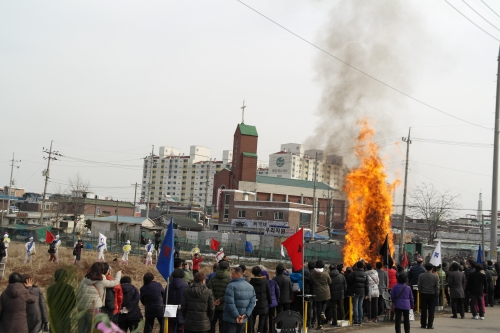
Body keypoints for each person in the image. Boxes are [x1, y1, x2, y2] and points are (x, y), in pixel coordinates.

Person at [76, 262, 122, 333]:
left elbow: (78, 294)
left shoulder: (85, 279)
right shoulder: (101, 280)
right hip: (94, 308)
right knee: (93, 329)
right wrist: (118, 274)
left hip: (81, 308)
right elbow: (115, 282)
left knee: (81, 329)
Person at [222, 267, 256, 333]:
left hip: (231, 319)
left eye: (233, 274)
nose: (231, 275)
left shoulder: (231, 286)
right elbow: (252, 303)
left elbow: (229, 303)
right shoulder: (250, 287)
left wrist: (236, 316)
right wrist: (245, 315)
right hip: (243, 319)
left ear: (238, 275)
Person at [207, 260, 231, 333]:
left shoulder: (213, 278)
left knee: (212, 323)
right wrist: (221, 300)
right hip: (225, 305)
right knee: (223, 324)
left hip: (214, 305)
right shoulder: (229, 279)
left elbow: (209, 290)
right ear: (227, 268)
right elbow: (229, 292)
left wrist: (214, 300)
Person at [248, 266, 272, 333]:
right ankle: (260, 331)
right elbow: (268, 292)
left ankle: (251, 330)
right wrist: (269, 302)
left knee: (253, 318)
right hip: (264, 303)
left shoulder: (251, 281)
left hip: (254, 303)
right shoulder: (265, 281)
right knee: (262, 318)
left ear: (253, 273)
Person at [311, 260, 331, 329]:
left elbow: (311, 282)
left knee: (318, 308)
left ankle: (319, 325)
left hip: (317, 292)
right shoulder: (326, 273)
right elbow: (330, 281)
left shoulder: (313, 274)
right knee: (325, 303)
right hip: (326, 292)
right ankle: (323, 311)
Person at [417, 263, 439, 329]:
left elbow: (419, 285)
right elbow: (437, 287)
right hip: (432, 294)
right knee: (431, 311)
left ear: (425, 268)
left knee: (423, 310)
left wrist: (421, 291)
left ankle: (423, 324)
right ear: (432, 268)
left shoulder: (421, 275)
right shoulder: (435, 276)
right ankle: (430, 325)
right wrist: (436, 294)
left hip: (424, 294)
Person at [347, 261, 368, 326]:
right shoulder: (365, 274)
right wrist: (366, 294)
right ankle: (360, 320)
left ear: (357, 266)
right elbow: (367, 285)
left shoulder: (353, 273)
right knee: (360, 306)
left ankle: (356, 320)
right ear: (362, 266)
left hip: (355, 292)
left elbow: (349, 281)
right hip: (362, 292)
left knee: (355, 306)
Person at [168, 268, 188, 333]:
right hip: (182, 310)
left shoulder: (168, 286)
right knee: (181, 328)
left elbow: (165, 299)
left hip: (170, 310)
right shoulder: (186, 286)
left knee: (170, 328)